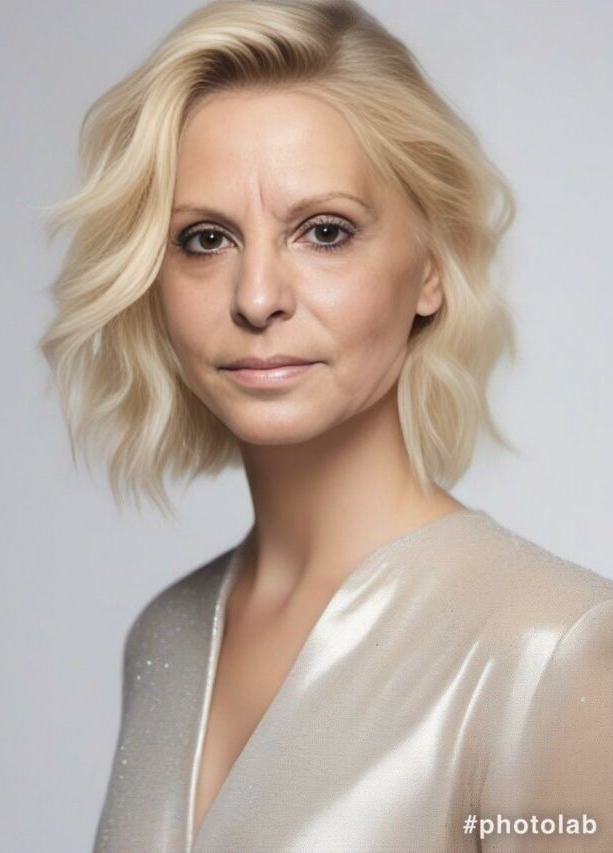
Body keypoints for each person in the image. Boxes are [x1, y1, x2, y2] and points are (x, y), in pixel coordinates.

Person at [37, 1, 613, 851]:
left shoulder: (552, 647)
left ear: (431, 267)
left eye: (324, 231)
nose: (256, 296)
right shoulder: (165, 639)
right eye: (205, 238)